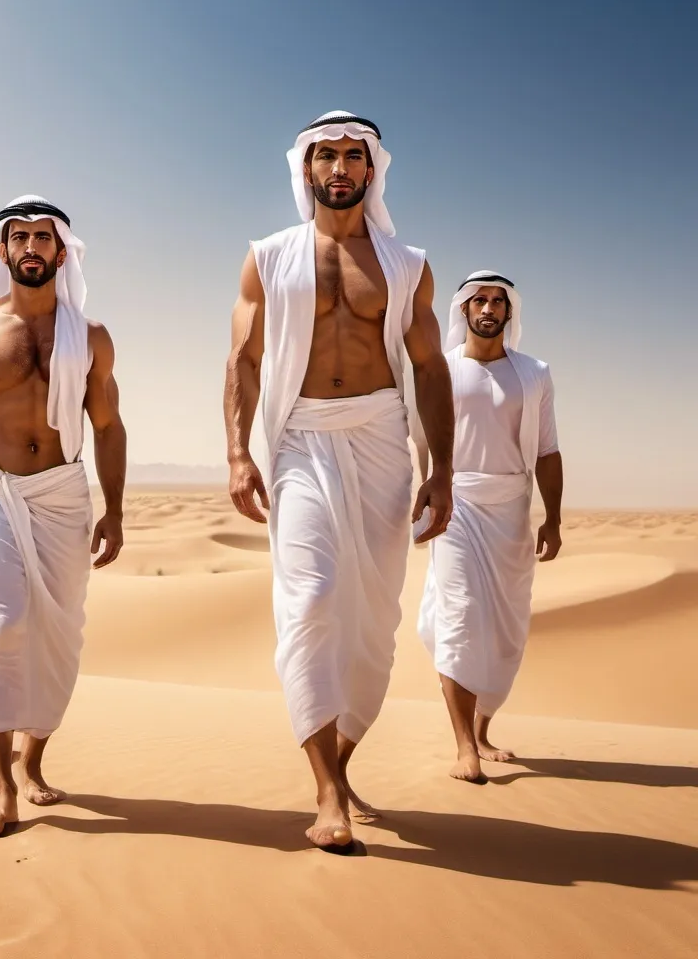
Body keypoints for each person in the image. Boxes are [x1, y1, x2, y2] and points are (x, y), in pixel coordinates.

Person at [223, 111, 455, 852]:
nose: (341, 168)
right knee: (313, 598)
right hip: (300, 438)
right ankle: (327, 793)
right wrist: (237, 451)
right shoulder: (268, 256)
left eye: (355, 156)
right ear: (307, 168)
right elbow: (245, 358)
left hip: (383, 438)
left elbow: (429, 367)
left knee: (373, 621)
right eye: (328, 155)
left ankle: (341, 761)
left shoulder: (408, 265)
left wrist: (441, 465)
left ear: (372, 169)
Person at [0, 195, 127, 837]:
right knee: (4, 623)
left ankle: (33, 761)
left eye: (45, 237)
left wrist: (115, 508)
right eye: (21, 238)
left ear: (62, 252)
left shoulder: (90, 336)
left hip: (65, 494)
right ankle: (0, 787)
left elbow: (108, 423)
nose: (33, 247)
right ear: (3, 250)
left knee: (58, 633)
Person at [416, 273, 562, 783]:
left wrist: (555, 517)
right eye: (481, 298)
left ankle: (481, 729)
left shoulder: (534, 373)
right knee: (460, 616)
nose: (490, 307)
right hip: (456, 504)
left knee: (505, 630)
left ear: (509, 312)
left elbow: (547, 450)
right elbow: (420, 440)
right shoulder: (441, 370)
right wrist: (429, 494)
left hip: (512, 510)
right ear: (464, 308)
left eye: (500, 301)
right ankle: (464, 748)